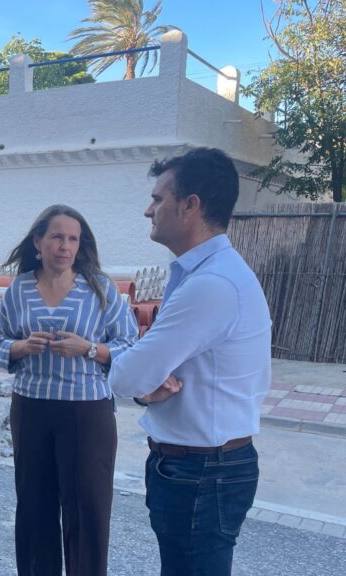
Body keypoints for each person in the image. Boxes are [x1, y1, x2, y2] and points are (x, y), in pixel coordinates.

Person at [109, 147, 271, 576]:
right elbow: (147, 375)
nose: (149, 210)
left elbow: (127, 375)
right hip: (199, 466)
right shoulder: (209, 274)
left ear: (190, 205)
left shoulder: (212, 284)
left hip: (202, 471)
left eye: (158, 199)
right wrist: (146, 381)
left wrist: (136, 372)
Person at [0, 204, 139, 576]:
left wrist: (89, 349)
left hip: (86, 411)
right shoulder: (19, 289)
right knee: (34, 509)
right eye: (57, 237)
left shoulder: (100, 288)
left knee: (87, 511)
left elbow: (130, 343)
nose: (65, 246)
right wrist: (21, 347)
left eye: (73, 239)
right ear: (38, 242)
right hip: (31, 408)